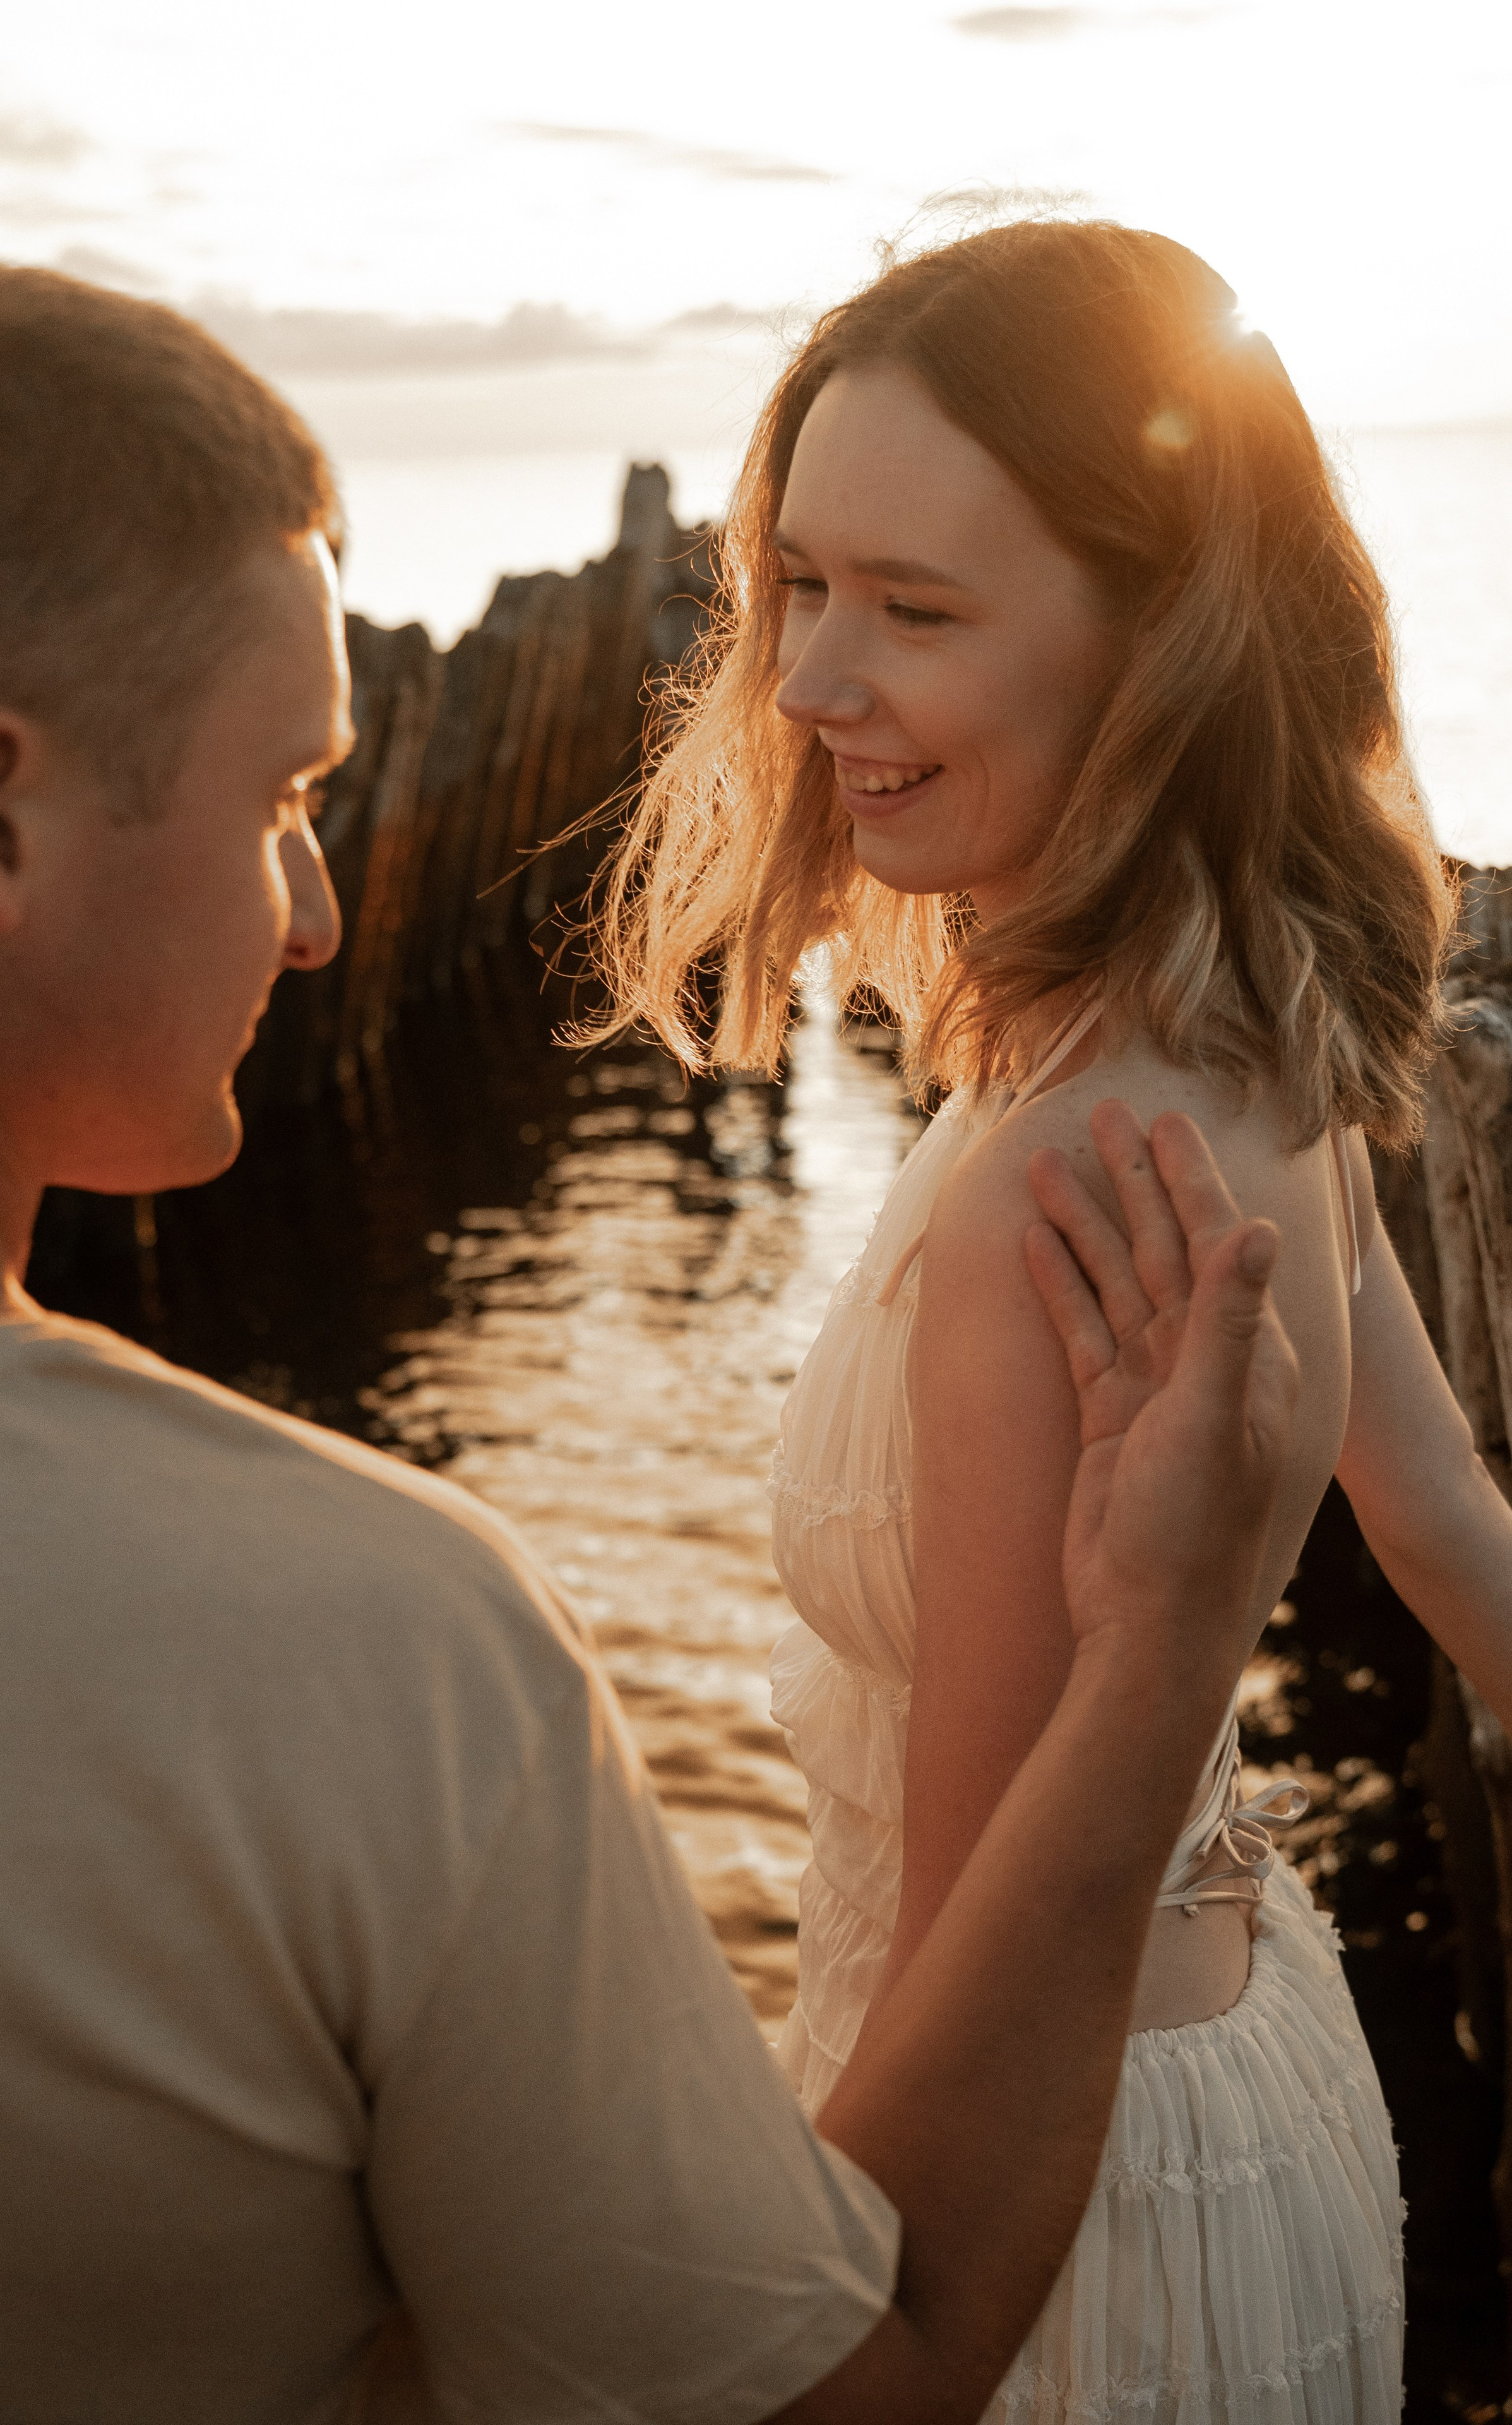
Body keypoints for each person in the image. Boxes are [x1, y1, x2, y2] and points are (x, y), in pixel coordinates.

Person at [0, 259, 1302, 2425]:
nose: (328, 906)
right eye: (288, 794)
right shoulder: (356, 1648)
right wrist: (1164, 1648)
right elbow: (861, 2377)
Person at [590, 218, 1512, 2417]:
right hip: (1261, 2082)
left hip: (1054, 2218)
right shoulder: (1266, 1025)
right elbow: (1460, 1546)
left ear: (1160, 645)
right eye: (802, 582)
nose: (810, 683)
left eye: (917, 611)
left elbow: (980, 1969)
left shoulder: (1061, 1192)